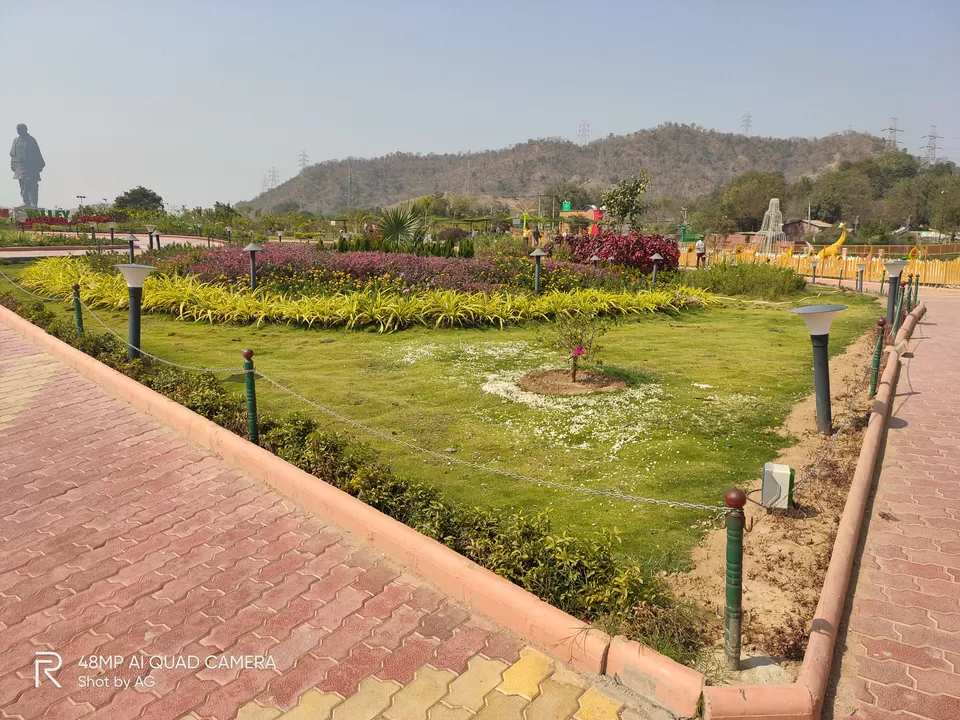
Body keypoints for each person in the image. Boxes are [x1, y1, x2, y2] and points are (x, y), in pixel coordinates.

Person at [10, 123, 44, 209]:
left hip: (30, 167)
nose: (18, 131)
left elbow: (37, 154)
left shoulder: (31, 140)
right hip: (19, 166)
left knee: (32, 185)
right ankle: (26, 201)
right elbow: (13, 154)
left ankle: (33, 202)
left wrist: (39, 165)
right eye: (17, 129)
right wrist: (12, 164)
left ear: (25, 129)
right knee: (22, 185)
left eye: (20, 129)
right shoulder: (16, 140)